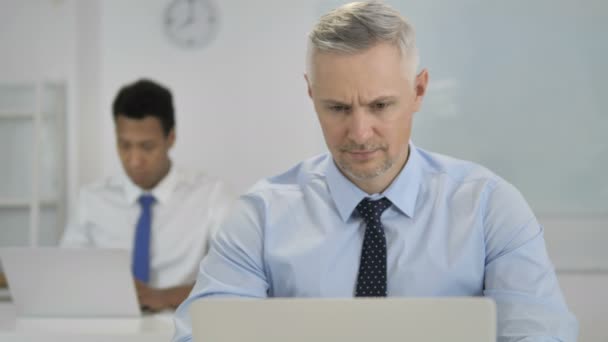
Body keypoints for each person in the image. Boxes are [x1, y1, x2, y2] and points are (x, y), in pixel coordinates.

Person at [173, 1, 577, 340]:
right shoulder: (261, 216)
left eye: (380, 106)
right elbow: (202, 333)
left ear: (418, 90)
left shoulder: (489, 207)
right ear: (312, 95)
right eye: (337, 108)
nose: (360, 132)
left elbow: (541, 334)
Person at [61, 79, 234, 312]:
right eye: (125, 145)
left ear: (170, 138)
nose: (134, 161)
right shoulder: (91, 199)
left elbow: (237, 277)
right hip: (105, 327)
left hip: (184, 327)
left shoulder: (211, 196)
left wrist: (164, 297)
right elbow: (66, 275)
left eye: (147, 147)